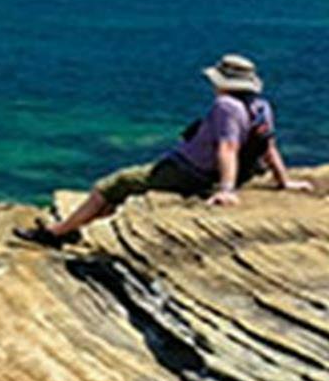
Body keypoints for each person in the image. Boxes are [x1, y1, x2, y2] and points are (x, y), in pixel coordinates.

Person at [18, 53, 311, 248]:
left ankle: (57, 234)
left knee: (112, 184)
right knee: (121, 191)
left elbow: (228, 147)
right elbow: (268, 145)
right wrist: (283, 182)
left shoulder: (226, 106)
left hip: (189, 172)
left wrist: (225, 189)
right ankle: (77, 225)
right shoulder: (260, 106)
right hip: (219, 171)